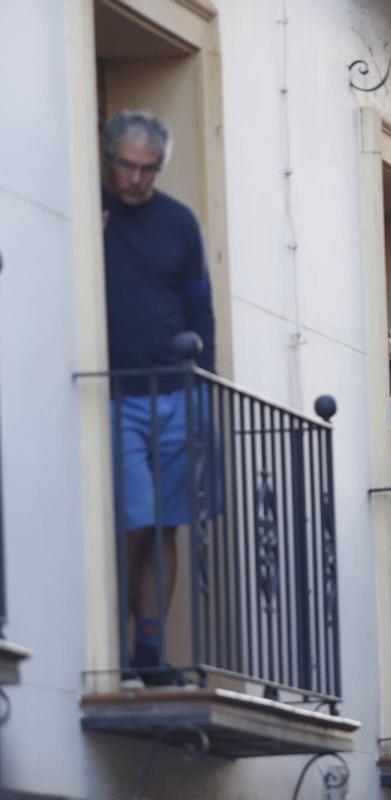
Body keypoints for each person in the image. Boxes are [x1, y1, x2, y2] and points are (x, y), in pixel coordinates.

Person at [103, 110, 216, 684]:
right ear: (110, 159)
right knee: (136, 521)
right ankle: (116, 641)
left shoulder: (178, 223)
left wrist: (207, 387)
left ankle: (149, 650)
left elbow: (201, 308)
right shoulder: (92, 212)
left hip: (177, 392)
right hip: (119, 395)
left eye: (148, 169)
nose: (137, 179)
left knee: (167, 523)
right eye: (128, 166)